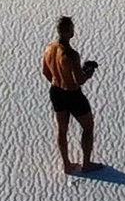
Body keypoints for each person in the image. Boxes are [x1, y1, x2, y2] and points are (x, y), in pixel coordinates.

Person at [42, 15, 99, 175]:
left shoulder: (49, 49)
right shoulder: (71, 55)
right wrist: (88, 72)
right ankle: (86, 164)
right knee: (88, 127)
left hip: (56, 92)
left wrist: (59, 79)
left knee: (62, 129)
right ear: (68, 31)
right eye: (72, 28)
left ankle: (67, 164)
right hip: (73, 95)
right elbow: (79, 80)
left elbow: (46, 72)